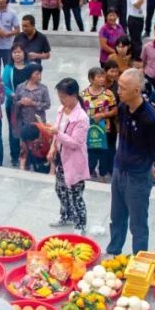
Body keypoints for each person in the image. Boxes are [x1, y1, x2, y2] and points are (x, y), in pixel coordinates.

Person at [107, 70, 155, 255]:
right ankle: (113, 252)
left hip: (138, 177)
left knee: (138, 224)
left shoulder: (150, 119)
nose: (118, 91)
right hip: (119, 169)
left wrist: (147, 164)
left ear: (137, 90)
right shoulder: (123, 107)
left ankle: (139, 261)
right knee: (116, 217)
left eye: (123, 88)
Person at [40, 78, 90, 231]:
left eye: (63, 96)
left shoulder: (81, 118)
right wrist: (52, 148)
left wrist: (57, 133)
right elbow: (57, 131)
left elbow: (75, 143)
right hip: (61, 158)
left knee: (76, 195)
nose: (61, 100)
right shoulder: (62, 110)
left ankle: (80, 223)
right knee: (60, 190)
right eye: (59, 96)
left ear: (74, 95)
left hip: (74, 161)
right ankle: (66, 216)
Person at [13, 63, 51, 170]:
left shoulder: (43, 88)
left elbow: (47, 104)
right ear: (30, 75)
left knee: (38, 147)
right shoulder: (20, 87)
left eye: (40, 73)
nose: (40, 76)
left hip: (39, 126)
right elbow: (15, 103)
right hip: (24, 123)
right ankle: (24, 167)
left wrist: (33, 103)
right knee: (24, 147)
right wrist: (21, 102)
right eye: (37, 73)